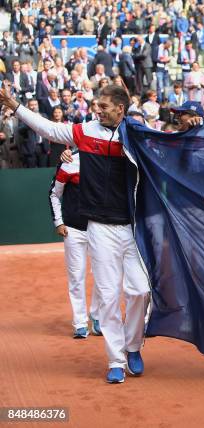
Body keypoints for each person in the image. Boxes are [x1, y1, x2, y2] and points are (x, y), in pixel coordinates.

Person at [0, 85, 150, 385]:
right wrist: (16, 107)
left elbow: (170, 148)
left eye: (104, 105)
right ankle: (116, 359)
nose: (98, 109)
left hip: (133, 228)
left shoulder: (136, 133)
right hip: (99, 228)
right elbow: (51, 129)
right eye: (97, 104)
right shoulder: (85, 131)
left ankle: (133, 344)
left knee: (140, 291)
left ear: (120, 108)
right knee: (108, 296)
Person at [49, 151, 102, 338]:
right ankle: (80, 323)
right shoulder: (70, 160)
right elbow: (54, 194)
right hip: (73, 229)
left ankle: (97, 317)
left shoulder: (108, 157)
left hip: (101, 229)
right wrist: (59, 222)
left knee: (103, 276)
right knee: (76, 277)